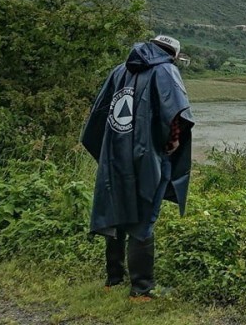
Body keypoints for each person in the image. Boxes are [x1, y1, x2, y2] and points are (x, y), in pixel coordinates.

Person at [80, 34, 195, 300]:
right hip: (148, 156)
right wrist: (173, 142)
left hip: (115, 153)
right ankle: (142, 288)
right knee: (144, 217)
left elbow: (99, 112)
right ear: (173, 54)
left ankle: (113, 278)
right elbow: (176, 113)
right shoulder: (166, 70)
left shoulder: (120, 70)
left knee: (117, 208)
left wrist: (108, 148)